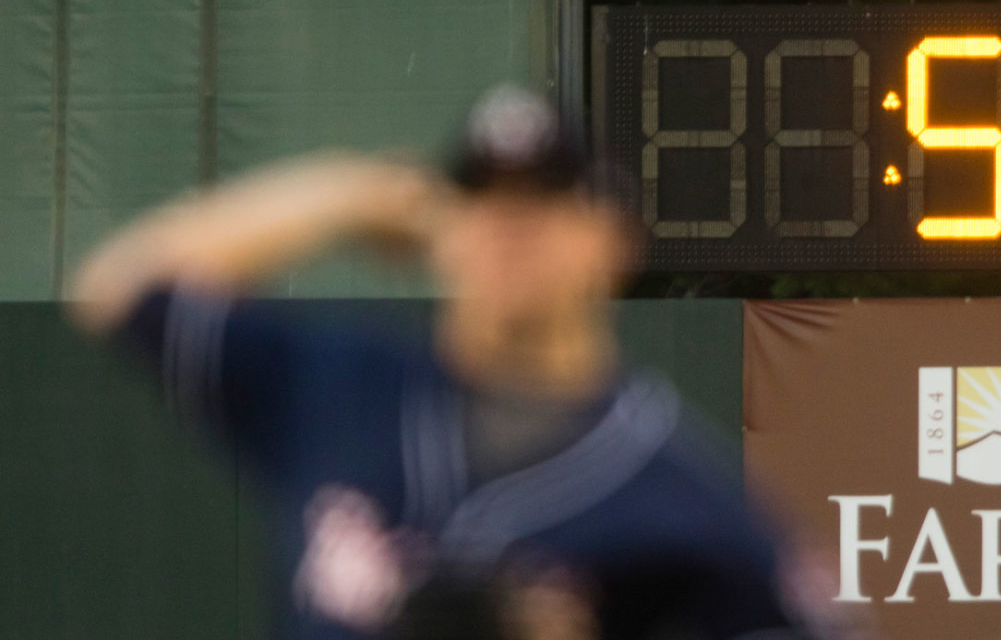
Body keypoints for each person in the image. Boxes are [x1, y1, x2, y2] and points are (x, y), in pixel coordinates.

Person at [68, 86, 818, 639]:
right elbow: (118, 288)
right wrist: (348, 194)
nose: (509, 230)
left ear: (614, 241)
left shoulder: (683, 508)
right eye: (484, 201)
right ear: (442, 233)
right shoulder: (331, 383)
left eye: (544, 204)